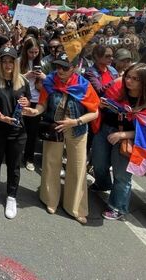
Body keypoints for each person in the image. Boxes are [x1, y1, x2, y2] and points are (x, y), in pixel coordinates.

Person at [91, 63, 146, 220]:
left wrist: (123, 135)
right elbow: (102, 104)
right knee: (98, 163)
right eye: (128, 77)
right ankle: (102, 184)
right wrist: (102, 105)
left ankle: (118, 207)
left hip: (128, 139)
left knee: (122, 175)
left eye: (135, 79)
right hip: (105, 130)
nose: (129, 81)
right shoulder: (118, 89)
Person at [38, 52, 100, 224]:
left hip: (77, 129)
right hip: (54, 127)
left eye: (65, 67)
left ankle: (76, 207)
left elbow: (94, 112)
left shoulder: (84, 85)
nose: (60, 70)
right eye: (57, 66)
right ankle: (50, 199)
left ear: (74, 68)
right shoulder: (49, 81)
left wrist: (75, 121)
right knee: (51, 163)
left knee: (78, 167)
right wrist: (34, 111)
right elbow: (42, 104)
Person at [0, 47, 38, 219]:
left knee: (14, 166)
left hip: (17, 132)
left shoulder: (23, 82)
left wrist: (27, 104)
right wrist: (0, 117)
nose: (7, 64)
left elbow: (26, 107)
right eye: (4, 61)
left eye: (11, 61)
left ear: (15, 62)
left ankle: (11, 196)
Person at [19, 38, 46, 171]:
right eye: (31, 52)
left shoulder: (42, 63)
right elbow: (13, 79)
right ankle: (17, 155)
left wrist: (42, 77)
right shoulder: (19, 62)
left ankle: (29, 157)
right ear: (25, 51)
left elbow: (49, 82)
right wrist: (27, 75)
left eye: (36, 52)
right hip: (22, 99)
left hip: (36, 100)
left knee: (32, 132)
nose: (33, 55)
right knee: (19, 129)